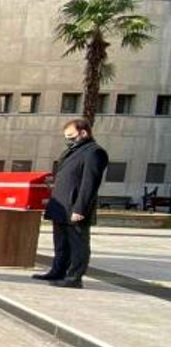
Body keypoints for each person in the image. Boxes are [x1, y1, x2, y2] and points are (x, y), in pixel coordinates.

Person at [34, 118, 109, 289]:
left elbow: (90, 184)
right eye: (66, 137)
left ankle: (74, 277)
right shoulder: (72, 151)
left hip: (75, 206)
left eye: (72, 136)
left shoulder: (94, 152)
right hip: (61, 205)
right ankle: (57, 271)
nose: (69, 140)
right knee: (60, 242)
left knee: (78, 244)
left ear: (83, 133)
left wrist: (80, 208)